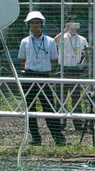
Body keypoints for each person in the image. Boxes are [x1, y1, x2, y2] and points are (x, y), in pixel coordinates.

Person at [18, 11, 65, 146]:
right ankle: (36, 138)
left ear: (41, 24)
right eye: (32, 23)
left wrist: (45, 71)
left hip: (44, 76)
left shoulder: (50, 41)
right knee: (30, 108)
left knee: (49, 107)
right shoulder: (24, 41)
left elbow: (53, 60)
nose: (35, 26)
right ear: (28, 25)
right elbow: (23, 59)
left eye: (37, 23)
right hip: (29, 76)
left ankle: (58, 139)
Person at [55, 16, 89, 132]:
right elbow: (54, 41)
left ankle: (78, 124)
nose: (73, 28)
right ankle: (60, 123)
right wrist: (64, 30)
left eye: (75, 25)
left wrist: (82, 64)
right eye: (71, 25)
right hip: (62, 70)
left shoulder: (82, 39)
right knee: (61, 97)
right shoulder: (62, 37)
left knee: (76, 98)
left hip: (76, 70)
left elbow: (86, 53)